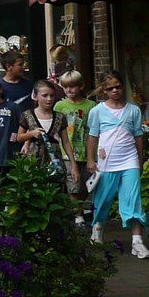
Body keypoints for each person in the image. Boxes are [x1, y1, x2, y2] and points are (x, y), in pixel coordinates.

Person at [87, 71, 149, 258]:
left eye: (118, 86)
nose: (115, 90)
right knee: (104, 199)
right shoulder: (97, 111)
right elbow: (92, 136)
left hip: (129, 159)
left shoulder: (133, 110)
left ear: (123, 87)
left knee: (133, 198)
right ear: (104, 90)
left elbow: (138, 136)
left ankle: (137, 242)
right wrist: (91, 159)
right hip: (107, 162)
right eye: (110, 88)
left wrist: (139, 160)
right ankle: (97, 229)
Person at [17, 79, 76, 188]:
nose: (49, 99)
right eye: (44, 95)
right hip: (33, 160)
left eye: (52, 95)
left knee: (56, 191)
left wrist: (73, 165)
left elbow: (66, 142)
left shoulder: (60, 117)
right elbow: (19, 137)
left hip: (54, 161)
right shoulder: (27, 115)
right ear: (36, 96)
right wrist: (31, 134)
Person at [56, 70, 94, 222]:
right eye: (65, 87)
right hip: (67, 152)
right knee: (73, 185)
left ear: (81, 86)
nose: (69, 90)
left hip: (86, 151)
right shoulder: (60, 105)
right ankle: (78, 216)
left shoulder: (91, 106)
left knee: (86, 185)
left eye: (73, 86)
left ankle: (78, 209)